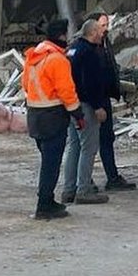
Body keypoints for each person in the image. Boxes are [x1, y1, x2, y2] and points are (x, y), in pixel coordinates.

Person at [21, 19, 84, 220]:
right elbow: (67, 91)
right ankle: (45, 204)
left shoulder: (33, 58)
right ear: (62, 36)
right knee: (51, 164)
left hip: (35, 116)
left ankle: (46, 200)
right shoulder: (57, 60)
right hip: (53, 117)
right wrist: (78, 114)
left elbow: (25, 85)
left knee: (47, 161)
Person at [61, 19, 110, 205]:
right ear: (92, 32)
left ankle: (69, 189)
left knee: (74, 146)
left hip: (72, 104)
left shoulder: (73, 50)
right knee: (88, 148)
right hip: (86, 106)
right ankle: (83, 190)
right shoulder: (89, 53)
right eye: (99, 30)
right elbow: (90, 83)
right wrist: (98, 106)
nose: (102, 33)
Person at [88, 11, 137, 192]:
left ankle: (112, 177)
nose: (106, 29)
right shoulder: (88, 47)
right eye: (103, 25)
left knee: (107, 138)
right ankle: (84, 180)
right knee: (89, 143)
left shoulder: (104, 43)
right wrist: (95, 105)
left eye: (107, 25)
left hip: (104, 97)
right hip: (94, 101)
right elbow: (88, 79)